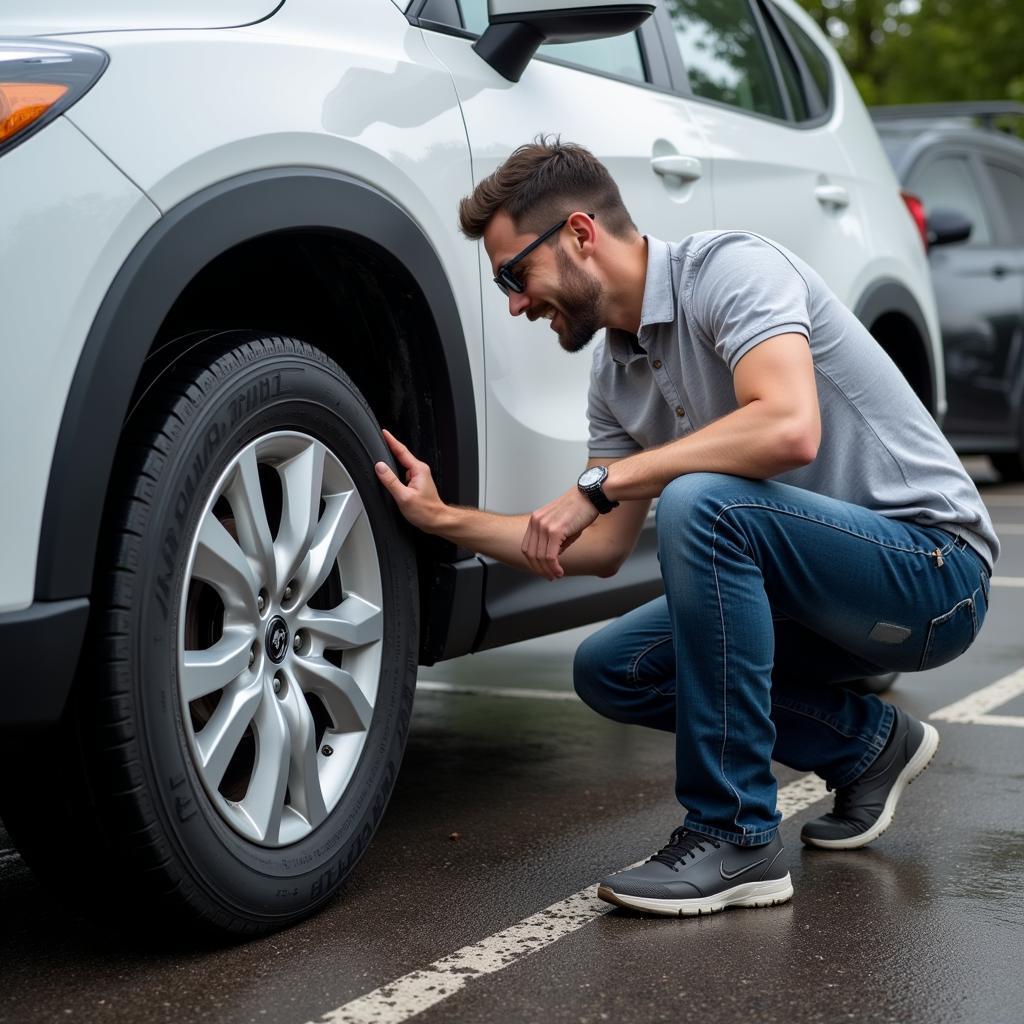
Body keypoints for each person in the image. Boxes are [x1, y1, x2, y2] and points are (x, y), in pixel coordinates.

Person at [373, 138, 998, 918]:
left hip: (934, 572)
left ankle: (737, 836)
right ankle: (866, 746)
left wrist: (606, 482)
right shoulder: (613, 372)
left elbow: (790, 428)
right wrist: (444, 520)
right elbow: (598, 548)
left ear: (578, 233)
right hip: (817, 595)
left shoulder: (730, 270)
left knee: (702, 500)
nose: (515, 303)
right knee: (613, 666)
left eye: (513, 274)